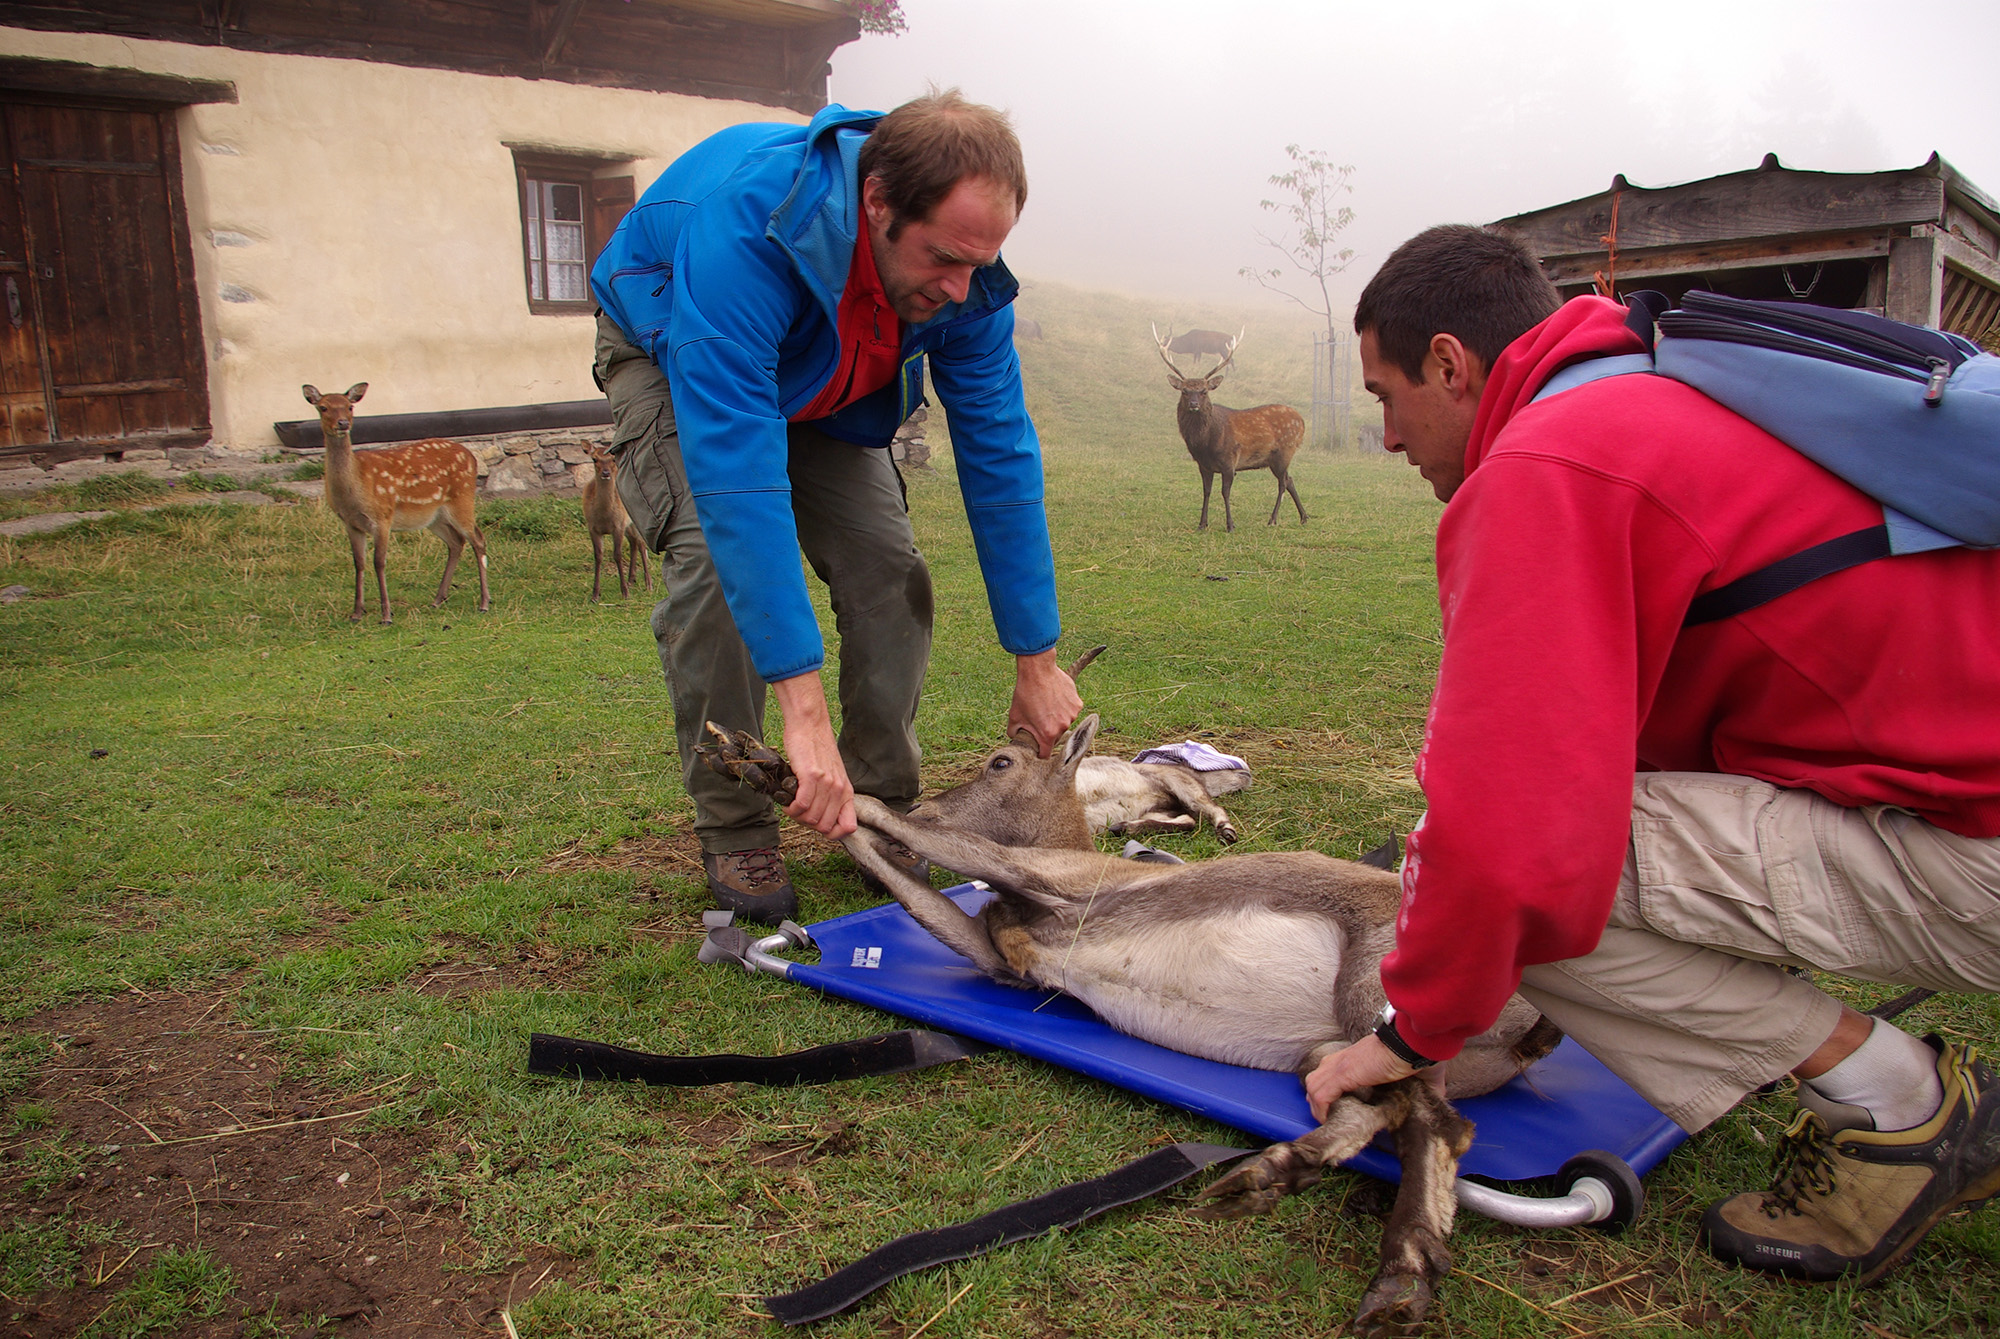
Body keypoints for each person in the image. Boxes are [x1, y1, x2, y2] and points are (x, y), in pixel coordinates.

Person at [1308, 223, 2000, 1283]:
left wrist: (1408, 1038)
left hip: (1974, 849)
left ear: (1448, 363)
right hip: (1961, 796)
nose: (1390, 439)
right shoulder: (1671, 387)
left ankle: (1895, 1103)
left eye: (1384, 398)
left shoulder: (1551, 458)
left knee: (1507, 877)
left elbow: (1507, 844)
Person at [590, 90, 1081, 925]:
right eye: (943, 260)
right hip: (678, 351)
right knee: (716, 563)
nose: (962, 289)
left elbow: (999, 453)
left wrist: (1036, 661)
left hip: (828, 378)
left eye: (979, 261)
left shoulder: (962, 282)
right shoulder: (748, 233)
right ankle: (737, 820)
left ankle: (883, 807)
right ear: (877, 203)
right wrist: (802, 712)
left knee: (889, 567)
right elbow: (740, 479)